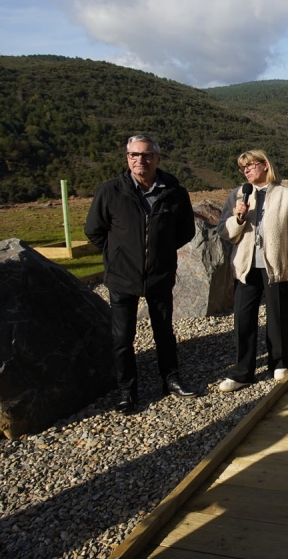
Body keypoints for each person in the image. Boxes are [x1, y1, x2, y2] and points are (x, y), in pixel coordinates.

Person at [85, 135, 198, 414]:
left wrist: (159, 252)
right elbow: (94, 230)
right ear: (127, 158)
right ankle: (127, 391)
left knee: (164, 332)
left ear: (157, 159)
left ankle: (170, 380)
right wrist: (119, 255)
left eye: (146, 155)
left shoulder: (174, 191)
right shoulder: (110, 191)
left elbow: (186, 232)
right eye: (134, 155)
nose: (140, 160)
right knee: (123, 337)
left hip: (160, 275)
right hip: (122, 278)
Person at [217, 150, 288, 392]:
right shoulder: (238, 195)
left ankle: (279, 362)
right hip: (246, 267)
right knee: (243, 320)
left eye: (250, 165)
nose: (246, 170)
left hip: (277, 267)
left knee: (277, 317)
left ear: (265, 165)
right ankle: (243, 372)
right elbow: (224, 232)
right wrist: (238, 218)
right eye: (243, 168)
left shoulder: (286, 196)